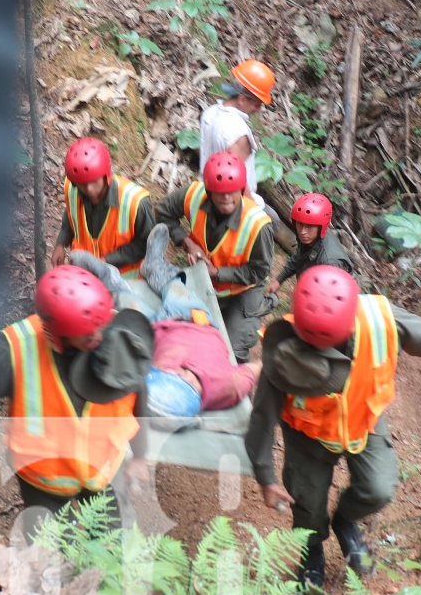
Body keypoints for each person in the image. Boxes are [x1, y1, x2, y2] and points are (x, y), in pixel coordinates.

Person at [247, 267, 421, 586]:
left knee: (378, 489)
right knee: (307, 507)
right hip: (307, 435)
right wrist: (266, 478)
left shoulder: (379, 319)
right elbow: (261, 417)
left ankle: (345, 521)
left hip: (364, 419)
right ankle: (311, 552)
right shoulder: (284, 349)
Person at [0, 266, 155, 531]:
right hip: (45, 481)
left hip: (105, 470)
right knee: (49, 562)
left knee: (112, 556)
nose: (100, 338)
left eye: (100, 326)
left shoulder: (114, 333)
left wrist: (140, 456)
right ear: (58, 336)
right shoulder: (17, 350)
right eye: (88, 335)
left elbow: (137, 391)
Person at [71, 226, 260, 424]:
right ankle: (154, 264)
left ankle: (107, 277)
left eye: (162, 372)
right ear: (186, 380)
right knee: (175, 288)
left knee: (128, 305)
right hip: (194, 319)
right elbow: (257, 368)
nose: (166, 369)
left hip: (152, 330)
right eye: (167, 373)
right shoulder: (226, 387)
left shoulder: (158, 380)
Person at [154, 151, 275, 362]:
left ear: (241, 189)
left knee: (230, 353)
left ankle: (262, 306)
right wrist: (188, 243)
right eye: (220, 192)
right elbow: (163, 212)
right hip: (203, 281)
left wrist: (217, 273)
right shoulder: (193, 195)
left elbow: (259, 271)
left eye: (232, 191)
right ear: (209, 192)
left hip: (241, 291)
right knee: (179, 332)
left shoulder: (257, 224)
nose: (226, 197)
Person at [49, 137, 156, 276]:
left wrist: (106, 261)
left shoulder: (136, 203)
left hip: (123, 279)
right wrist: (61, 243)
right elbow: (71, 215)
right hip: (85, 274)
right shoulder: (72, 189)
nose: (89, 190)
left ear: (106, 175)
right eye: (82, 184)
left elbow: (148, 245)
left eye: (94, 182)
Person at [200, 60, 275, 202]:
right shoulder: (238, 132)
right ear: (242, 99)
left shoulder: (210, 113)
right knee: (273, 219)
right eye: (257, 104)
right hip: (231, 201)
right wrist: (251, 211)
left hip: (205, 190)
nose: (258, 110)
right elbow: (236, 179)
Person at [267, 192, 354, 297]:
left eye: (310, 226)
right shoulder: (312, 238)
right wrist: (279, 280)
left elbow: (328, 299)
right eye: (300, 224)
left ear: (321, 227)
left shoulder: (329, 263)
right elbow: (299, 257)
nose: (303, 231)